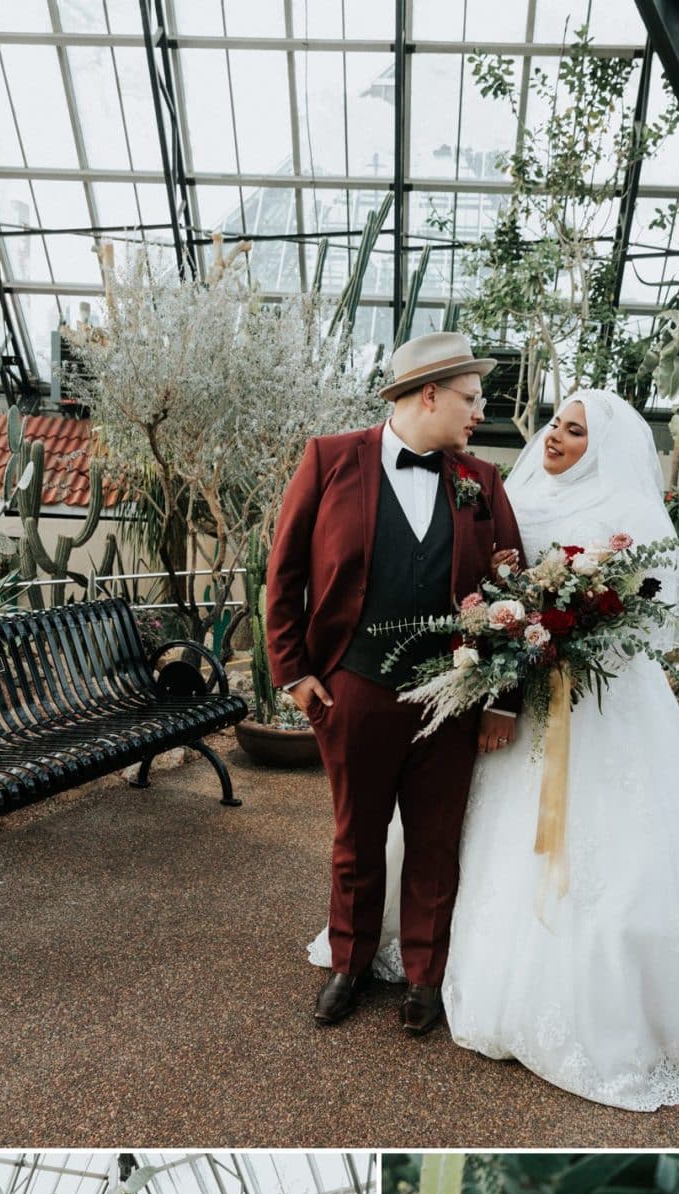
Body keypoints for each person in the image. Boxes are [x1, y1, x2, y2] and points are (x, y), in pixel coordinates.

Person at [311, 389, 679, 1110]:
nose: (556, 438)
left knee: (606, 852)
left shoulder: (631, 510)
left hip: (599, 706)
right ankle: (404, 960)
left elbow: (650, 606)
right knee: (443, 833)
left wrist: (576, 632)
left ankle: (574, 983)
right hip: (509, 691)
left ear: (601, 447)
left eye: (574, 432)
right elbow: (493, 581)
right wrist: (505, 673)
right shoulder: (509, 488)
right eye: (554, 424)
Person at [268, 330, 523, 1038]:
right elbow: (284, 574)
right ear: (431, 393)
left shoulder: (482, 483)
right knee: (357, 834)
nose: (480, 413)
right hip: (354, 686)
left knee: (436, 840)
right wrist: (294, 672)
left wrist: (503, 696)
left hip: (453, 693)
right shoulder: (329, 459)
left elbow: (514, 595)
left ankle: (424, 977)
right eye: (471, 399)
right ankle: (348, 965)